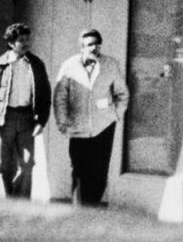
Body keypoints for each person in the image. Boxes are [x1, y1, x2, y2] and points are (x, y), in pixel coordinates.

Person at [52, 26, 129, 206]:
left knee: (99, 172)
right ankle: (79, 210)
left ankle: (92, 209)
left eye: (97, 44)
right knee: (79, 170)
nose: (94, 48)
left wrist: (115, 115)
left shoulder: (110, 64)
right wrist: (62, 122)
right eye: (90, 45)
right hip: (77, 126)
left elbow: (122, 94)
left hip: (104, 127)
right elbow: (60, 98)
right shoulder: (69, 65)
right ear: (81, 47)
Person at [0, 21, 51, 198]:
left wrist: (41, 121)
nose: (26, 43)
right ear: (11, 43)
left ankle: (21, 204)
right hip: (5, 119)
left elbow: (45, 95)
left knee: (27, 163)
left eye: (27, 39)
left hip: (27, 118)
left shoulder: (36, 64)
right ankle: (8, 202)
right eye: (21, 40)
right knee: (6, 165)